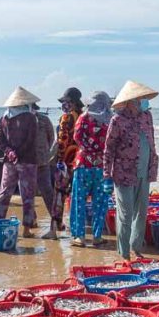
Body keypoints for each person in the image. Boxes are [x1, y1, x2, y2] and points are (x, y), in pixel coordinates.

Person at [105, 80, 159, 260]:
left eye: (144, 99)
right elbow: (109, 148)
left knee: (141, 212)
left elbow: (152, 142)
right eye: (140, 99)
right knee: (126, 214)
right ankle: (124, 253)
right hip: (124, 173)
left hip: (144, 171)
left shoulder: (147, 117)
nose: (144, 102)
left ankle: (136, 247)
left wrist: (153, 163)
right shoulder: (118, 120)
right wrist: (107, 173)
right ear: (130, 101)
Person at [0, 86, 39, 238]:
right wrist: (17, 153)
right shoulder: (31, 117)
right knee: (27, 195)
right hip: (28, 161)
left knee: (4, 192)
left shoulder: (4, 118)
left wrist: (10, 152)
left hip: (9, 162)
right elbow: (31, 140)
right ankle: (27, 229)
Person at [70, 90, 112, 247]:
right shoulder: (109, 120)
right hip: (101, 166)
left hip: (82, 164)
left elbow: (77, 137)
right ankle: (97, 236)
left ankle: (79, 236)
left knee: (79, 201)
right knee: (100, 203)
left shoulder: (83, 117)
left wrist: (88, 150)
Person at [53, 87, 83, 232]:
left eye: (65, 101)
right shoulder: (83, 116)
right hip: (80, 161)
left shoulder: (66, 118)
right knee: (77, 195)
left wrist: (58, 160)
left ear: (72, 102)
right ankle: (77, 227)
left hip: (65, 162)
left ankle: (56, 226)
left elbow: (61, 141)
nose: (63, 104)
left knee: (60, 193)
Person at [32, 102, 58, 239]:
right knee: (28, 193)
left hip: (42, 161)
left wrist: (45, 153)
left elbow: (51, 137)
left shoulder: (44, 119)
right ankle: (32, 221)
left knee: (47, 191)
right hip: (27, 163)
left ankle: (55, 221)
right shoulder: (21, 121)